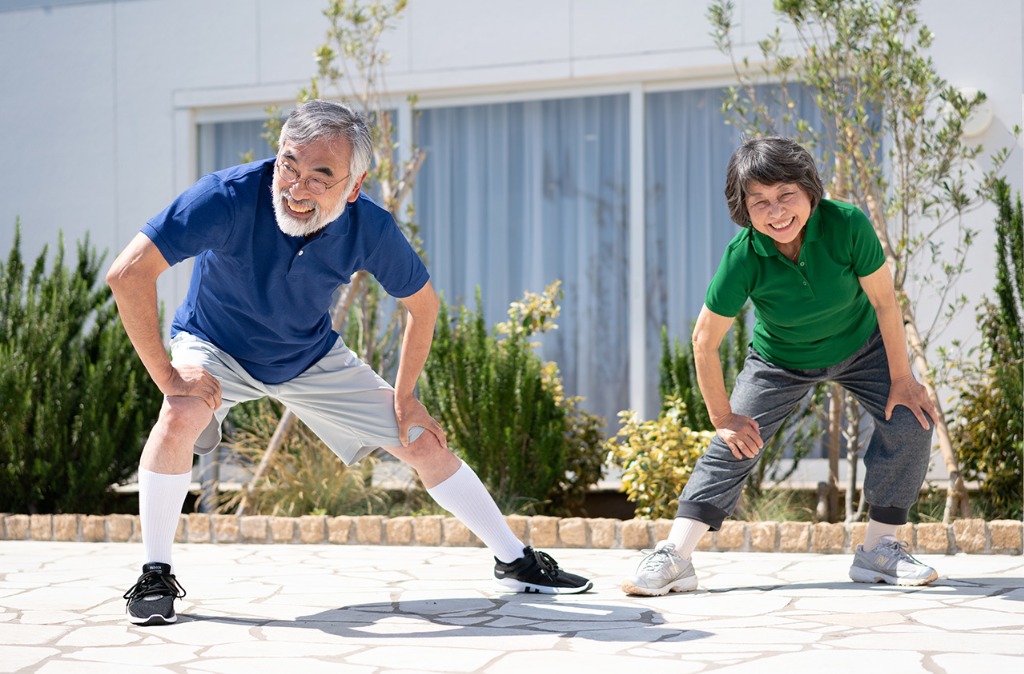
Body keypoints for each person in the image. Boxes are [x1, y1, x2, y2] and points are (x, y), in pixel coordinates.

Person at [108, 99, 591, 626]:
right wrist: (170, 377)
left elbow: (422, 307)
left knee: (420, 439)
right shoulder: (226, 197)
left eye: (321, 176)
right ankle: (154, 574)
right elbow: (128, 274)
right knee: (178, 414)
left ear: (353, 186)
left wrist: (406, 400)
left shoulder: (370, 227)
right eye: (289, 165)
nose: (297, 188)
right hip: (213, 344)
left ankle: (516, 560)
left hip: (308, 356)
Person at [622, 136, 938, 596]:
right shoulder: (745, 254)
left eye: (786, 194)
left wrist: (903, 380)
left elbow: (885, 303)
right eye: (760, 202)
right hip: (780, 359)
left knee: (912, 419)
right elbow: (703, 340)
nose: (776, 212)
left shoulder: (847, 224)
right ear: (744, 210)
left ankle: (879, 551)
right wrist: (723, 417)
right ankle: (675, 556)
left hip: (862, 343)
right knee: (735, 441)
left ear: (810, 190)